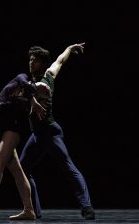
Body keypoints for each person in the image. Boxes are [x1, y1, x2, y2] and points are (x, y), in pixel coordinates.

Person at [19, 43, 96, 220]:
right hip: (37, 135)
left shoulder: (46, 78)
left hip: (50, 132)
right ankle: (34, 211)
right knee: (22, 169)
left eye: (36, 60)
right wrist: (69, 48)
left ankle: (87, 207)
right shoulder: (27, 82)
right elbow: (60, 59)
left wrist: (68, 50)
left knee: (69, 167)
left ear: (43, 64)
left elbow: (59, 61)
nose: (31, 62)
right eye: (30, 59)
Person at [0, 73, 50, 221]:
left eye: (47, 93)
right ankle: (29, 210)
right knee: (16, 170)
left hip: (11, 128)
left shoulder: (24, 103)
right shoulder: (22, 78)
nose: (47, 88)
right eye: (45, 87)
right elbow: (2, 94)